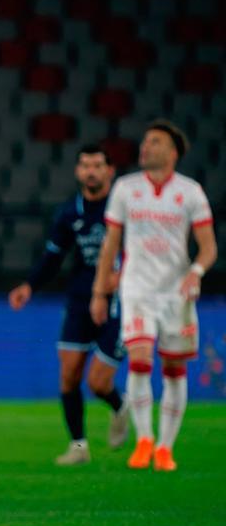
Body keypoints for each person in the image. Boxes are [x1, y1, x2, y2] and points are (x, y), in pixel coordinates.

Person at [91, 120, 217, 471]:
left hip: (176, 293)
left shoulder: (190, 192)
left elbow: (208, 247)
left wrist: (195, 271)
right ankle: (144, 440)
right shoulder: (126, 188)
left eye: (155, 142)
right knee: (140, 359)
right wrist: (100, 291)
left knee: (174, 369)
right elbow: (110, 244)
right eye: (145, 141)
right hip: (137, 289)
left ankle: (165, 447)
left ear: (173, 152)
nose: (145, 147)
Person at [8, 144, 128, 465]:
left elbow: (140, 253)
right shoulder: (69, 213)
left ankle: (120, 405)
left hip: (119, 303)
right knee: (69, 374)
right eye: (85, 165)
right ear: (77, 171)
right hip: (79, 301)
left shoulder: (123, 210)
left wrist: (121, 278)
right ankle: (78, 446)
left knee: (98, 383)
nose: (91, 171)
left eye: (97, 165)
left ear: (110, 171)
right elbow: (53, 257)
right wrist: (29, 286)